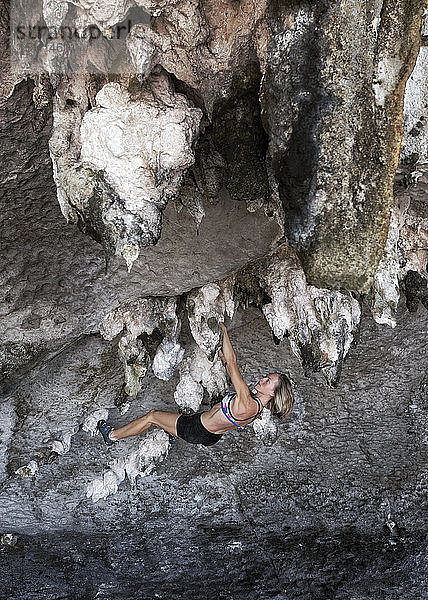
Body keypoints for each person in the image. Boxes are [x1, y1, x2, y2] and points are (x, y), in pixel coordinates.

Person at [98, 323, 294, 447]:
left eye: (268, 381)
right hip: (211, 435)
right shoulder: (256, 410)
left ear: (273, 394)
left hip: (195, 429)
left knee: (152, 416)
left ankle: (113, 436)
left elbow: (232, 364)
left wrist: (223, 330)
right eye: (266, 376)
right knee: (179, 419)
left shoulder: (248, 402)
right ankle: (173, 431)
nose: (262, 379)